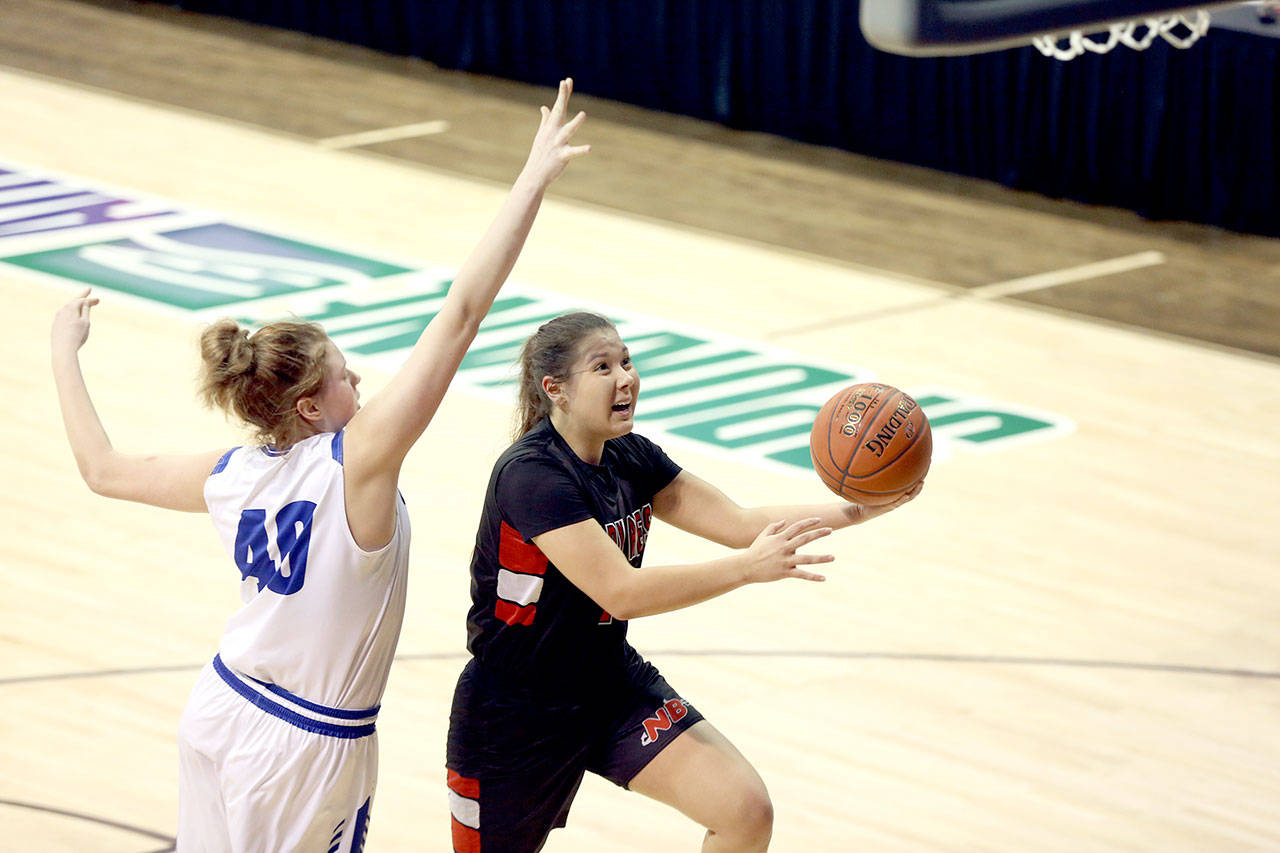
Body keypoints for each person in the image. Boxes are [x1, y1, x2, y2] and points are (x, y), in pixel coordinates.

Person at [49, 78, 589, 852]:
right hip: (303, 746)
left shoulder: (235, 471)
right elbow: (462, 313)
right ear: (309, 406)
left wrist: (62, 352)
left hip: (220, 706)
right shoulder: (356, 460)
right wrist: (531, 180)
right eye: (342, 374)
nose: (360, 382)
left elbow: (101, 468)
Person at [445, 311, 923, 852]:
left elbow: (740, 524)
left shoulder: (632, 457)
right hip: (516, 712)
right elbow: (620, 591)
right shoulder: (532, 476)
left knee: (744, 809)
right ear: (555, 389)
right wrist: (747, 570)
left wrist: (859, 509)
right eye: (603, 366)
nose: (625, 377)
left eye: (625, 360)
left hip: (608, 687)